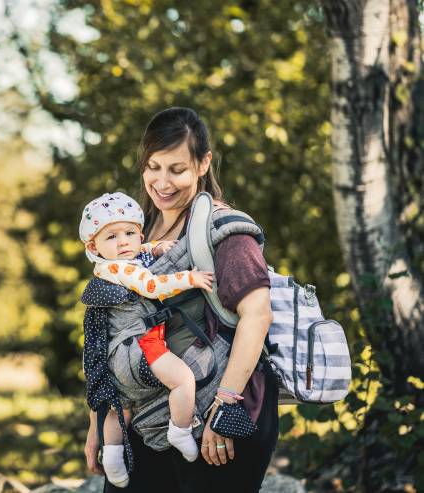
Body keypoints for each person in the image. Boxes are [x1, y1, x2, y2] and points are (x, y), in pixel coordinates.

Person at [83, 107, 278, 493]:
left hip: (215, 412)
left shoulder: (224, 227)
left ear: (203, 163)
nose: (161, 181)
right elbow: (106, 329)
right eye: (153, 167)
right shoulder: (135, 234)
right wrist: (98, 423)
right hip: (142, 416)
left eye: (176, 169)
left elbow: (257, 314)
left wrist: (225, 407)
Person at [78, 192, 214, 487]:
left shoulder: (109, 265)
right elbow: (152, 286)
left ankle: (113, 458)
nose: (124, 241)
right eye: (112, 237)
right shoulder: (121, 268)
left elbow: (137, 254)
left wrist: (154, 248)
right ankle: (179, 429)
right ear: (93, 246)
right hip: (141, 347)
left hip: (116, 358)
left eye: (130, 233)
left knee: (120, 408)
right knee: (183, 380)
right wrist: (189, 279)